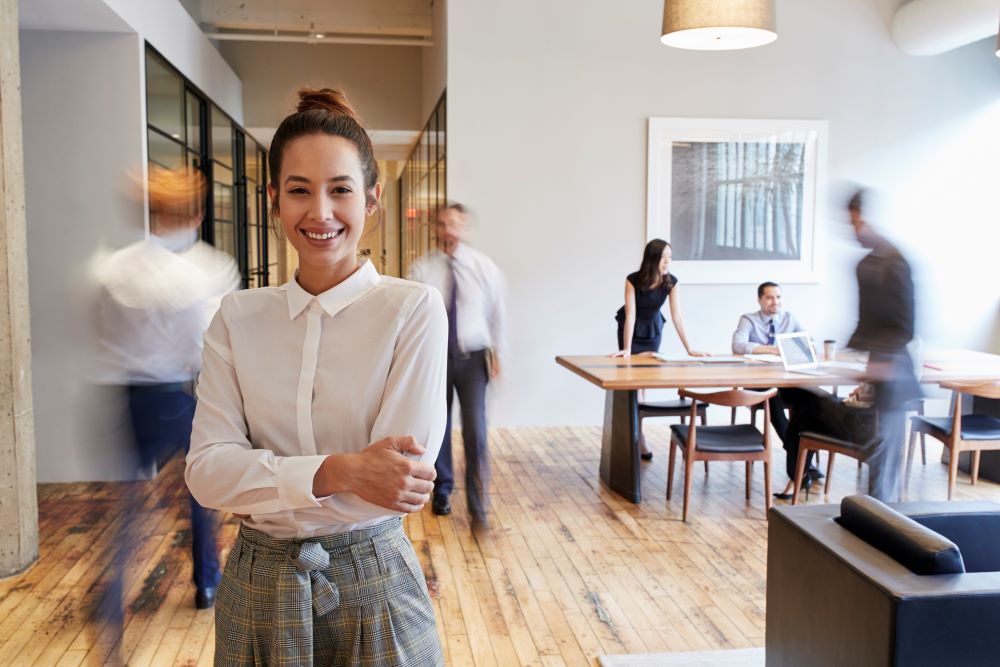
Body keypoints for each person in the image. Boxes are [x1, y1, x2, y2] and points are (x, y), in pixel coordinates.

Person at [185, 88, 447, 665]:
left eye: (341, 190)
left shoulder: (413, 310)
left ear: (372, 199)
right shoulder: (237, 317)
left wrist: (266, 480)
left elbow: (401, 479)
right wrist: (343, 470)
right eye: (299, 190)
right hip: (257, 585)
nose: (320, 212)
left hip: (375, 581)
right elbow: (206, 473)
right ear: (275, 200)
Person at [93, 165, 238, 614]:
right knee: (199, 494)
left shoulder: (112, 268)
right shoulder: (208, 271)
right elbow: (208, 345)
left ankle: (113, 592)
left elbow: (103, 335)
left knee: (128, 505)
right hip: (178, 395)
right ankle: (207, 583)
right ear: (196, 215)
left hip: (129, 397)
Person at [780, 188, 919, 502]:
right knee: (803, 400)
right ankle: (805, 479)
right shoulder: (864, 266)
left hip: (893, 385)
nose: (853, 231)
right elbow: (864, 325)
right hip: (871, 384)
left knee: (883, 472)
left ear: (868, 219)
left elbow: (905, 326)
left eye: (855, 223)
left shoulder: (896, 263)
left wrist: (880, 365)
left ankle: (882, 526)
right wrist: (850, 359)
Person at [407, 203, 505, 525]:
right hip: (436, 358)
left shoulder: (482, 266)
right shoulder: (423, 269)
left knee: (476, 429)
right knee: (440, 426)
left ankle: (478, 504)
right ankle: (443, 490)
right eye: (443, 224)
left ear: (463, 228)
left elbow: (496, 312)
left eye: (455, 224)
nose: (449, 229)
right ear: (435, 228)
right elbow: (411, 315)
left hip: (473, 357)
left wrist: (498, 354)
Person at [612, 239, 705, 459]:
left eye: (670, 257)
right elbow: (631, 314)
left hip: (652, 330)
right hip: (631, 330)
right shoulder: (633, 280)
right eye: (663, 257)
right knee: (633, 385)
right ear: (652, 258)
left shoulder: (671, 282)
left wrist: (690, 348)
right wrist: (626, 349)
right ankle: (638, 436)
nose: (667, 262)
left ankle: (638, 433)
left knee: (643, 383)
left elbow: (677, 316)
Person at [730, 282, 822, 493]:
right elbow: (738, 345)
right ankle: (798, 455)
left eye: (778, 297)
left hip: (787, 380)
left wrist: (797, 347)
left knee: (809, 396)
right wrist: (773, 350)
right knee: (771, 397)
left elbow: (810, 343)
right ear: (760, 300)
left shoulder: (790, 318)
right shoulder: (749, 320)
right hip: (761, 382)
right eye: (770, 298)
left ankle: (799, 459)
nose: (775, 302)